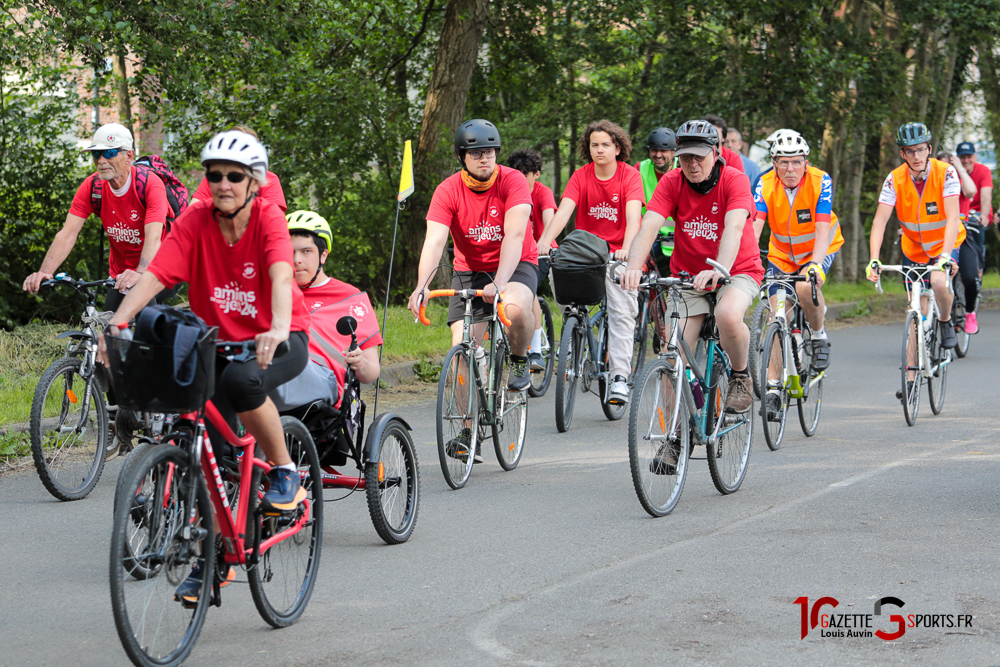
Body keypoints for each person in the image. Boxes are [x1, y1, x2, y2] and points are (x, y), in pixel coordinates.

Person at [98, 130, 312, 601]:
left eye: (235, 175)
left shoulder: (268, 220)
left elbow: (279, 274)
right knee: (205, 448)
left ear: (254, 181)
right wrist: (116, 322)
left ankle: (283, 472)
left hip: (281, 337)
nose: (223, 183)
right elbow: (155, 276)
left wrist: (276, 326)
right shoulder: (196, 221)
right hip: (219, 340)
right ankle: (210, 559)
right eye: (215, 175)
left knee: (240, 380)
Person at [622, 119, 762, 424]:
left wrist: (720, 269)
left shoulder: (734, 180)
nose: (693, 164)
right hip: (688, 276)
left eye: (699, 156)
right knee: (672, 354)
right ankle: (672, 438)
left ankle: (740, 377)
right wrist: (632, 267)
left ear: (716, 152)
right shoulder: (672, 181)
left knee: (727, 315)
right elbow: (649, 224)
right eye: (686, 157)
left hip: (736, 269)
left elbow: (735, 226)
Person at [407, 118, 536, 393]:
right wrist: (422, 286)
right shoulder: (447, 190)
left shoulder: (513, 180)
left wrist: (500, 283)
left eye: (489, 152)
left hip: (515, 265)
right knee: (461, 351)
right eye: (476, 153)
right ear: (461, 157)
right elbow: (434, 241)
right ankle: (466, 431)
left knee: (515, 308)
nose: (484, 159)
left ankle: (519, 358)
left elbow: (515, 235)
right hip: (470, 270)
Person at [537, 119, 644, 404]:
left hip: (618, 253)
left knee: (621, 310)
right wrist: (546, 241)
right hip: (586, 253)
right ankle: (574, 326)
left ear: (618, 148)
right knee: (557, 272)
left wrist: (628, 249)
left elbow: (634, 218)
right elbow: (563, 213)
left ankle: (620, 376)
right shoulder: (581, 176)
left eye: (606, 145)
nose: (599, 150)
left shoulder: (629, 177)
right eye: (594, 145)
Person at [23, 123, 170, 312]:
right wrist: (45, 272)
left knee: (144, 326)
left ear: (129, 156)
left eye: (109, 153)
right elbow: (67, 234)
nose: (101, 160)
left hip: (160, 268)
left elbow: (154, 236)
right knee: (110, 333)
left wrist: (141, 273)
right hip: (119, 275)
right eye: (96, 154)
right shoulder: (93, 186)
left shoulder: (150, 184)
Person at [753, 132, 842, 417]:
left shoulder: (820, 180)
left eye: (796, 162)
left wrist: (815, 264)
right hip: (781, 255)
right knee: (777, 313)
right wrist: (746, 260)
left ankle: (818, 334)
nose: (790, 169)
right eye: (783, 163)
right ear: (774, 163)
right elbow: (755, 225)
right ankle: (773, 387)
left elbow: (823, 226)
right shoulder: (765, 183)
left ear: (805, 161)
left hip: (819, 246)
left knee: (805, 287)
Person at [271, 210, 381, 412]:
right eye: (289, 251)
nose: (296, 260)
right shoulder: (270, 293)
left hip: (324, 380)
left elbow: (372, 372)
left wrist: (361, 362)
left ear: (323, 255)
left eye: (306, 251)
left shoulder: (350, 298)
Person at [866, 122, 963, 352]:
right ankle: (911, 379)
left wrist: (946, 256)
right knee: (914, 309)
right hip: (914, 247)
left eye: (921, 149)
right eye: (910, 151)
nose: (916, 155)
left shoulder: (946, 172)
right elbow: (879, 222)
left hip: (944, 243)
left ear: (929, 149)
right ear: (903, 154)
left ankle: (945, 320)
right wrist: (874, 258)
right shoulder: (894, 178)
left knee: (939, 283)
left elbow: (952, 218)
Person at [507, 148, 558, 371]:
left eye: (525, 174)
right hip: (515, 253)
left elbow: (550, 220)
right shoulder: (508, 191)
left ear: (536, 174)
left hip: (541, 252)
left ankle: (535, 350)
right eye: (516, 173)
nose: (520, 178)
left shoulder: (542, 192)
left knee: (530, 293)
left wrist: (543, 241)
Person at [189, 125, 288, 212]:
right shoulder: (215, 177)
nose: (224, 186)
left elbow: (272, 217)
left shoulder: (268, 178)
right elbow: (192, 211)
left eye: (236, 177)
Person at [938, 149, 982, 334]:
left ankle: (969, 312)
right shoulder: (931, 183)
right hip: (936, 235)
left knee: (971, 278)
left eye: (949, 165)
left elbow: (971, 191)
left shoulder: (957, 182)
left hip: (960, 234)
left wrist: (959, 168)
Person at [635, 127, 677, 276]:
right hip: (650, 232)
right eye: (654, 150)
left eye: (663, 151)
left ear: (673, 152)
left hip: (679, 234)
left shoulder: (685, 168)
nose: (658, 155)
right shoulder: (640, 169)